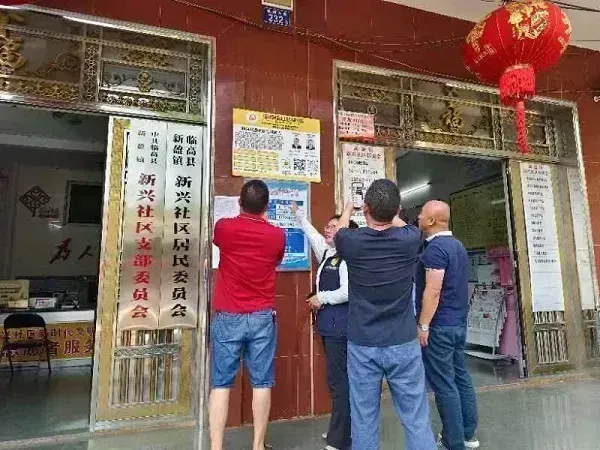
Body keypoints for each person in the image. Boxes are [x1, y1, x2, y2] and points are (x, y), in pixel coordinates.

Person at [334, 179, 437, 450]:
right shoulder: (410, 239)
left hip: (362, 344)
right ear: (397, 211)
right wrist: (391, 214)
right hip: (403, 342)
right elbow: (403, 226)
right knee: (415, 417)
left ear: (365, 208)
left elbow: (339, 231)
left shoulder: (351, 242)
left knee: (364, 417)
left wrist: (349, 209)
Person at [209, 180, 286, 450]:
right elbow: (276, 261)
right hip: (262, 316)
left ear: (239, 202)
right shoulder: (277, 235)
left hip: (228, 315)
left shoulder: (224, 228)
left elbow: (218, 242)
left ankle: (216, 447)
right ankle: (258, 445)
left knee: (221, 384)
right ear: (267, 206)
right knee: (262, 382)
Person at [290, 202, 358, 450]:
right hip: (330, 327)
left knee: (340, 382)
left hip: (342, 328)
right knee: (337, 381)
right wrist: (298, 215)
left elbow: (349, 291)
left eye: (334, 226)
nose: (328, 229)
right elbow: (313, 235)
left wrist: (322, 297)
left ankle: (340, 439)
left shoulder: (348, 258)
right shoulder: (329, 253)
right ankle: (340, 431)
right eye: (328, 226)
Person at [415, 200, 479, 450]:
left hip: (439, 326)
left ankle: (453, 441)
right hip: (458, 324)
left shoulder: (435, 249)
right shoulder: (457, 246)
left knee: (444, 384)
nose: (418, 217)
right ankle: (468, 434)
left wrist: (423, 325)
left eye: (421, 214)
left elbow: (433, 292)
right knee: (461, 377)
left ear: (431, 221)